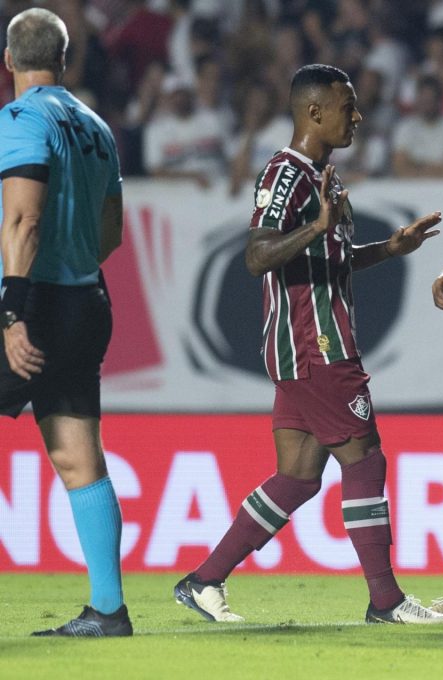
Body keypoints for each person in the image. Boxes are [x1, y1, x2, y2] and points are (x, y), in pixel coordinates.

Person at [173, 64, 443, 625]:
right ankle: (386, 602)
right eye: (348, 106)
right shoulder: (285, 173)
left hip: (305, 344)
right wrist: (315, 227)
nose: (359, 116)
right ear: (314, 112)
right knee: (366, 462)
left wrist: (389, 250)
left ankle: (203, 581)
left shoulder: (326, 177)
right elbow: (257, 256)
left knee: (299, 476)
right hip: (313, 342)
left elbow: (328, 257)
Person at [0, 7, 129, 637]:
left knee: (77, 457)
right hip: (86, 299)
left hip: (35, 304)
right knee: (80, 461)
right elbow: (111, 233)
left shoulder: (21, 119)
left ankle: (109, 609)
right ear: (65, 57)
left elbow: (23, 219)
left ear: (8, 62)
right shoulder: (97, 126)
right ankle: (109, 609)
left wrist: (12, 311)